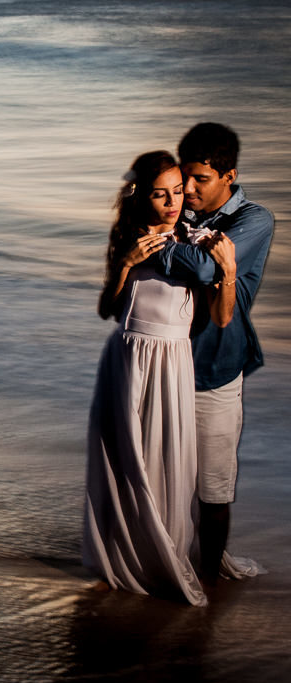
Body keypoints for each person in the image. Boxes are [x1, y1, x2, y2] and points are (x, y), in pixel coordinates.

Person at [82, 150, 236, 606]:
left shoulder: (196, 241)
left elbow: (222, 318)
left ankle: (164, 549)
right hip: (128, 355)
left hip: (173, 357)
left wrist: (226, 271)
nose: (172, 202)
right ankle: (125, 553)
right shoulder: (129, 236)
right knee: (128, 457)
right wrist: (126, 264)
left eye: (177, 191)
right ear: (141, 196)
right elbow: (108, 309)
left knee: (168, 457)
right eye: (159, 194)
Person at [164, 123, 274, 585]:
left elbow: (210, 268)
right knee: (160, 482)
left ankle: (208, 580)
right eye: (182, 178)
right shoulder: (178, 214)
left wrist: (166, 245)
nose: (186, 190)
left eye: (200, 180)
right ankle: (162, 565)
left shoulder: (253, 220)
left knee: (213, 487)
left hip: (215, 369)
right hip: (162, 366)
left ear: (228, 175)